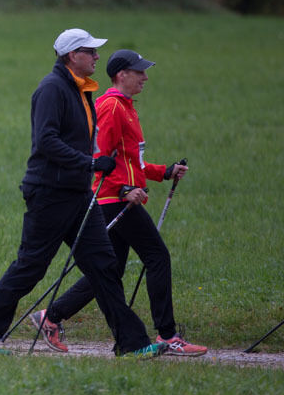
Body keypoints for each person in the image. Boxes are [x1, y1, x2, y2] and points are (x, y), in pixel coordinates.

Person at [0, 28, 167, 358]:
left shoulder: (80, 91)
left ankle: (132, 343)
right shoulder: (52, 89)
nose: (98, 57)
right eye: (91, 52)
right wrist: (90, 162)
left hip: (77, 194)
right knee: (30, 268)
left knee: (103, 265)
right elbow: (46, 141)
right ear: (73, 56)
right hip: (49, 193)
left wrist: (95, 164)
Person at [30, 49, 206, 356]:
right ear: (121, 74)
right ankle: (167, 335)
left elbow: (130, 162)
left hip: (120, 197)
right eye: (139, 72)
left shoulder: (126, 107)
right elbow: (99, 159)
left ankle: (51, 316)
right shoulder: (110, 107)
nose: (145, 77)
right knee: (157, 256)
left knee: (109, 270)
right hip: (114, 200)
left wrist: (163, 172)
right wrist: (124, 189)